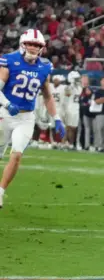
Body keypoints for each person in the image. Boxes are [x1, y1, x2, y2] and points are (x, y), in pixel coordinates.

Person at [0, 29, 64, 208]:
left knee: (17, 154)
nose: (33, 48)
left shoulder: (45, 66)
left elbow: (47, 96)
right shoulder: (10, 60)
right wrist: (7, 104)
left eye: (37, 45)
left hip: (26, 117)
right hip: (4, 115)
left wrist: (57, 118)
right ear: (22, 44)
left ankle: (0, 192)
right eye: (30, 44)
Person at [63, 71, 81, 149]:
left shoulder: (79, 87)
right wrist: (71, 86)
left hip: (76, 109)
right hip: (69, 109)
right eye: (76, 79)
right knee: (68, 127)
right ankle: (64, 143)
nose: (78, 80)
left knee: (74, 128)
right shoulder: (68, 87)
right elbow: (67, 94)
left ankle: (71, 143)